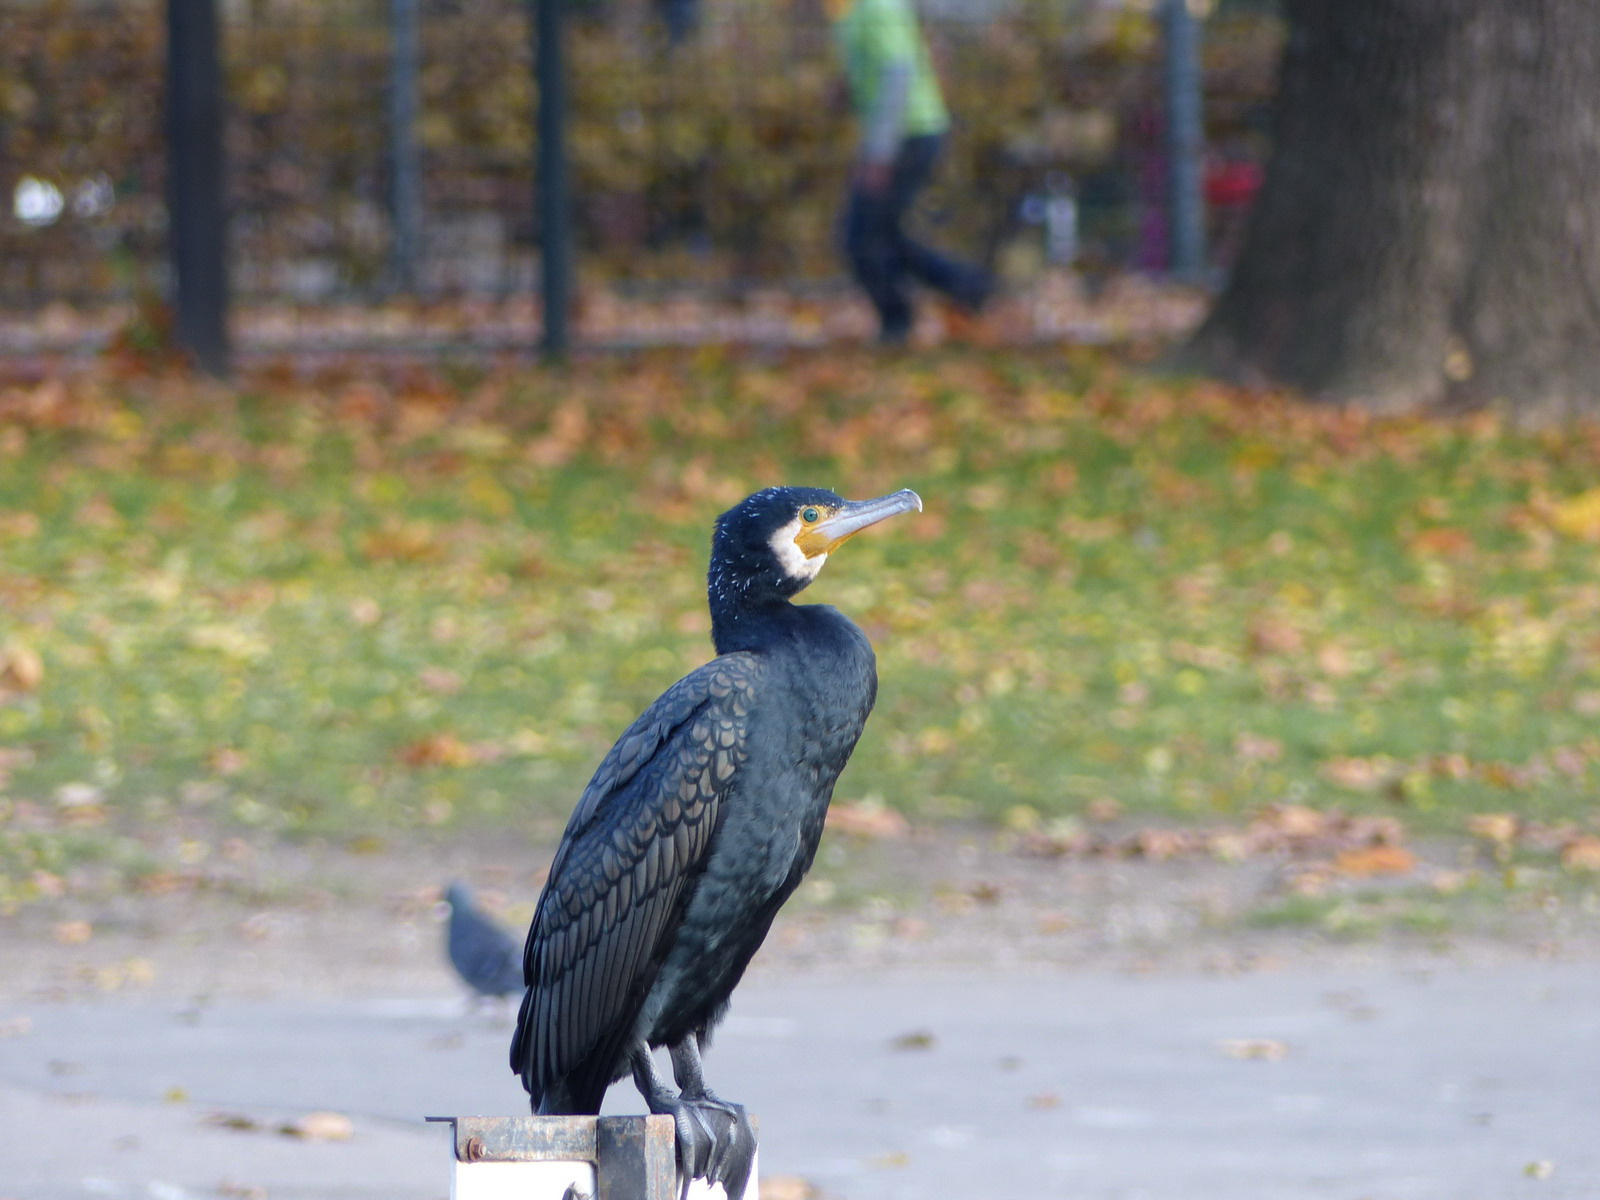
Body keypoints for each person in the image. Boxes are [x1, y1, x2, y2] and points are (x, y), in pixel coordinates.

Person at [828, 0, 992, 344]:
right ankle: (968, 287)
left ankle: (898, 321)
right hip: (903, 135)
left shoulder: (877, 8)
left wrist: (880, 154)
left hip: (909, 135)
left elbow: (898, 73)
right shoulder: (852, 13)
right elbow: (872, 69)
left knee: (860, 235)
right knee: (881, 232)